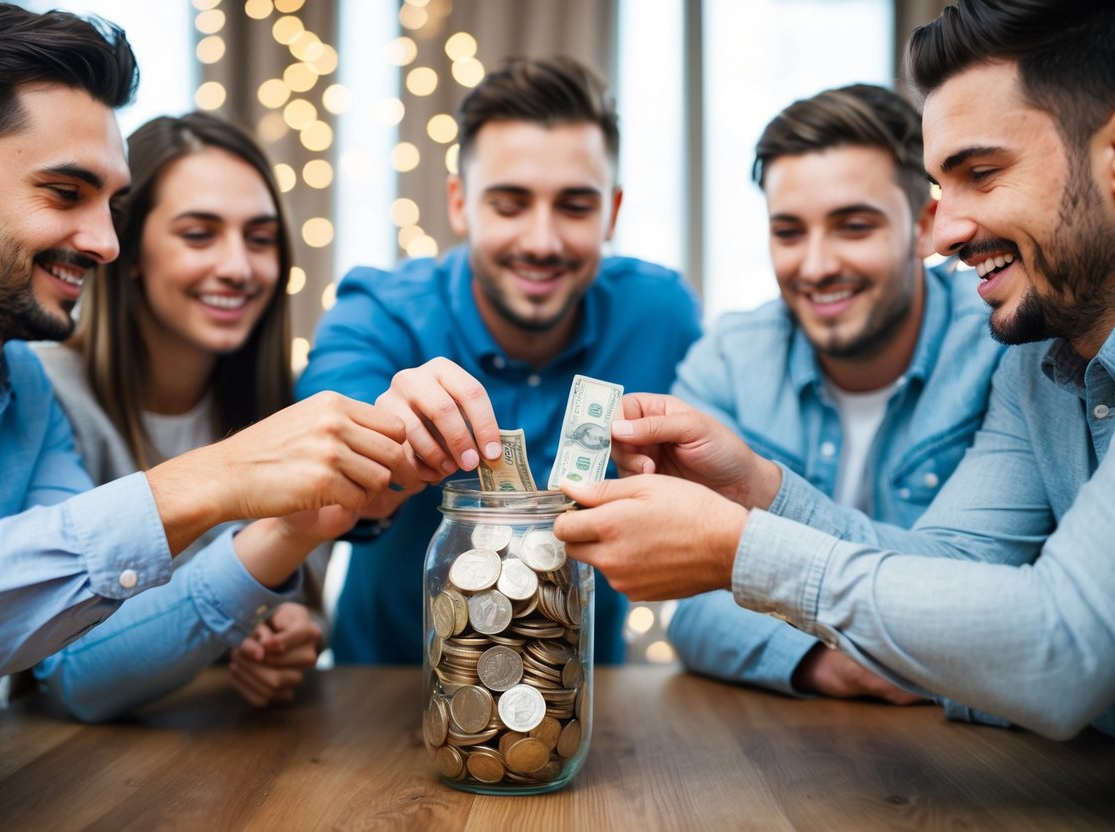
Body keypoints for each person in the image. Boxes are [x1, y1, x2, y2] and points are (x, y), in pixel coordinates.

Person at [553, 0, 1115, 740]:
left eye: (981, 173)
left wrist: (740, 550)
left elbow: (1060, 649)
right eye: (946, 186)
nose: (947, 232)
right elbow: (957, 568)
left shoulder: (991, 338)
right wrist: (759, 491)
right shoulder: (1036, 359)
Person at [0, 3, 416, 747]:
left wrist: (289, 531)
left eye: (112, 205)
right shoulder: (62, 387)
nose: (105, 243)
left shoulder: (25, 397)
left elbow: (79, 656)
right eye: (63, 192)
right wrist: (212, 480)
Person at [295, 56, 702, 664]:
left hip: (582, 700)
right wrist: (384, 448)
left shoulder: (662, 314)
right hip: (379, 698)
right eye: (510, 204)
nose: (542, 241)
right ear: (460, 204)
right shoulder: (379, 309)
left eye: (574, 206)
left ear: (612, 212)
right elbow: (310, 474)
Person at [665, 84, 1004, 709]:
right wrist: (830, 661)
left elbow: (996, 592)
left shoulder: (999, 346)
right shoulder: (729, 359)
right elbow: (691, 608)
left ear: (926, 226)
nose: (817, 266)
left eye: (853, 226)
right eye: (789, 232)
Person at [30, 113, 336, 719]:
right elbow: (68, 671)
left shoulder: (288, 406)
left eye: (260, 237)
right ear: (130, 250)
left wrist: (295, 631)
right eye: (199, 235)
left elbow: (300, 598)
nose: (239, 268)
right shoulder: (45, 391)